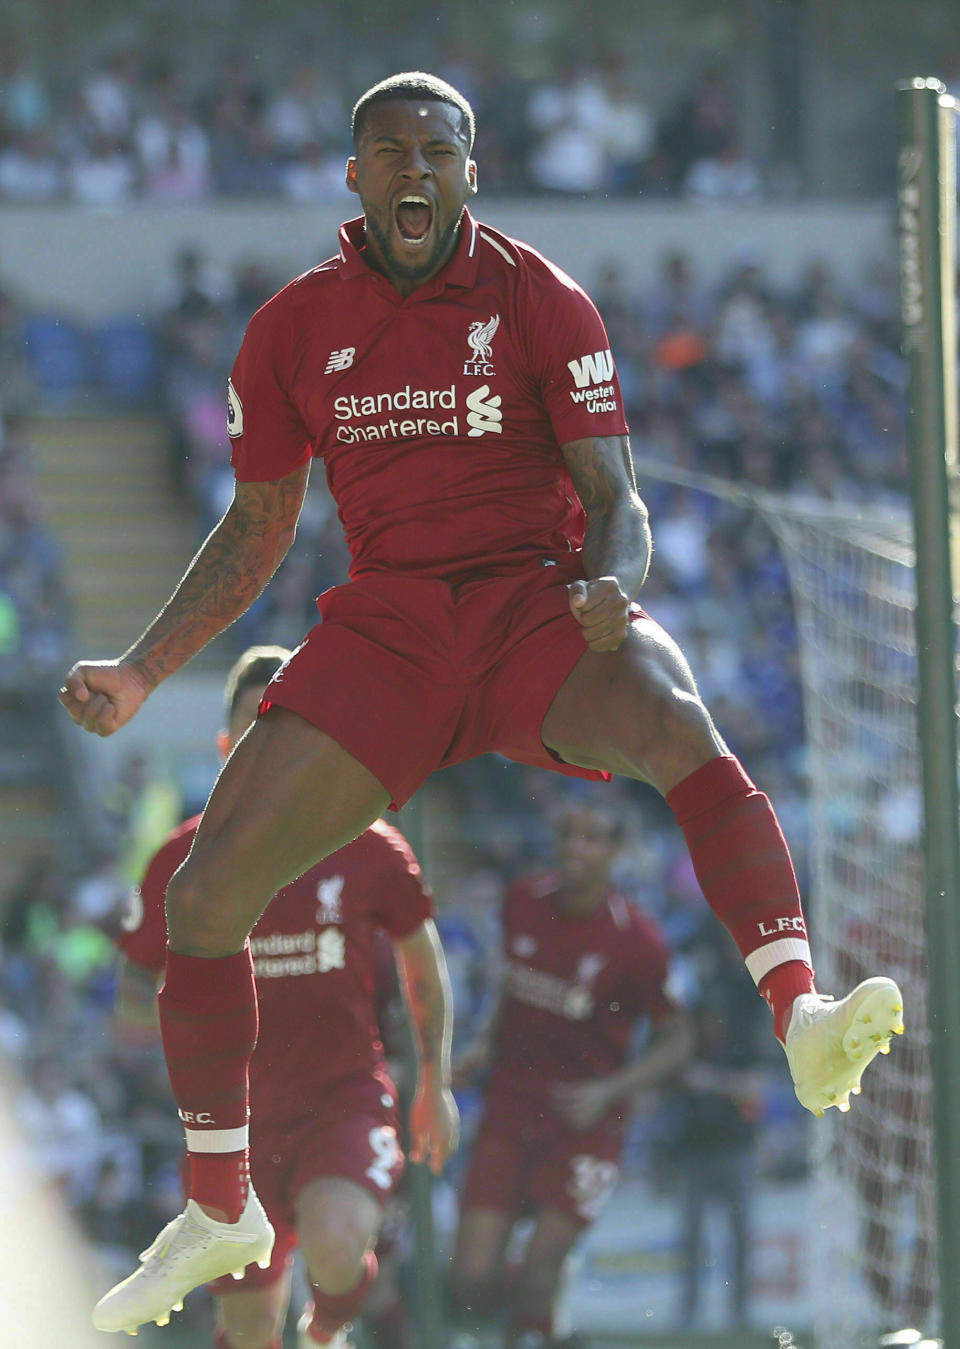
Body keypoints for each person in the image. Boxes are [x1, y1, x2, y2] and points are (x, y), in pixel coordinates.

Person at [58, 70, 904, 1336]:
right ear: (354, 177)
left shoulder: (539, 297)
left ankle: (802, 1011)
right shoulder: (294, 328)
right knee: (201, 896)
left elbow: (617, 496)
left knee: (678, 716)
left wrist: (616, 587)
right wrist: (139, 669)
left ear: (471, 169)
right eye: (389, 151)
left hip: (529, 608)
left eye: (437, 152)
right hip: (391, 625)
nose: (414, 170)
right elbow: (256, 528)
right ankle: (222, 1206)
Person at [110, 645, 458, 1349]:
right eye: (256, 724)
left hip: (343, 1099)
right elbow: (133, 991)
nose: (273, 743)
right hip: (232, 1128)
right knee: (246, 1327)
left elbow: (423, 958)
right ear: (224, 744)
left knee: (335, 1247)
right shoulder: (181, 861)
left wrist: (436, 1080)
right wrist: (163, 1030)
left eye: (292, 724)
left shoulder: (371, 847)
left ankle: (328, 1331)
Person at [448, 801, 693, 1349]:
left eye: (593, 837)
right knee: (469, 1276)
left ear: (616, 851)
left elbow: (680, 1041)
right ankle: (552, 1332)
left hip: (586, 1121)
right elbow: (511, 991)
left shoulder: (639, 942)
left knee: (539, 1274)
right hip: (511, 1104)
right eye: (568, 833)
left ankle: (540, 1323)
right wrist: (482, 1047)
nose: (576, 847)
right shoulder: (522, 900)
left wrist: (610, 1090)